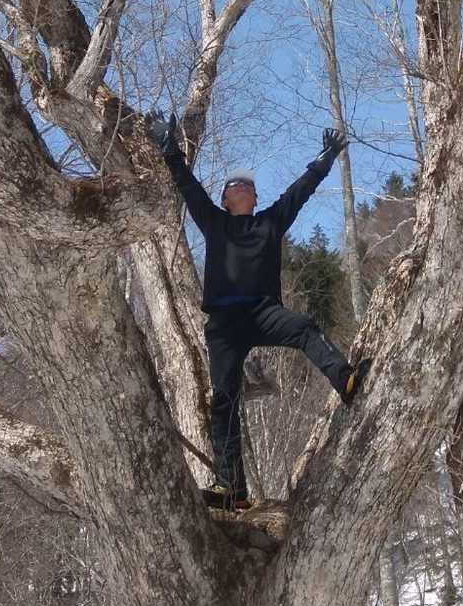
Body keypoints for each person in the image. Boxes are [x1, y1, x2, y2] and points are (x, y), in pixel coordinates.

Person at [145, 111, 371, 509]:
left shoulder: (270, 223)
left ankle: (345, 381)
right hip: (223, 324)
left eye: (249, 187)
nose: (244, 188)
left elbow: (299, 192)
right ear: (225, 199)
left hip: (264, 312)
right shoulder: (213, 222)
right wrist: (169, 147)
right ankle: (232, 489)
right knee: (224, 400)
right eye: (237, 186)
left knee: (303, 326)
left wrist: (325, 159)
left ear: (255, 199)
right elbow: (188, 186)